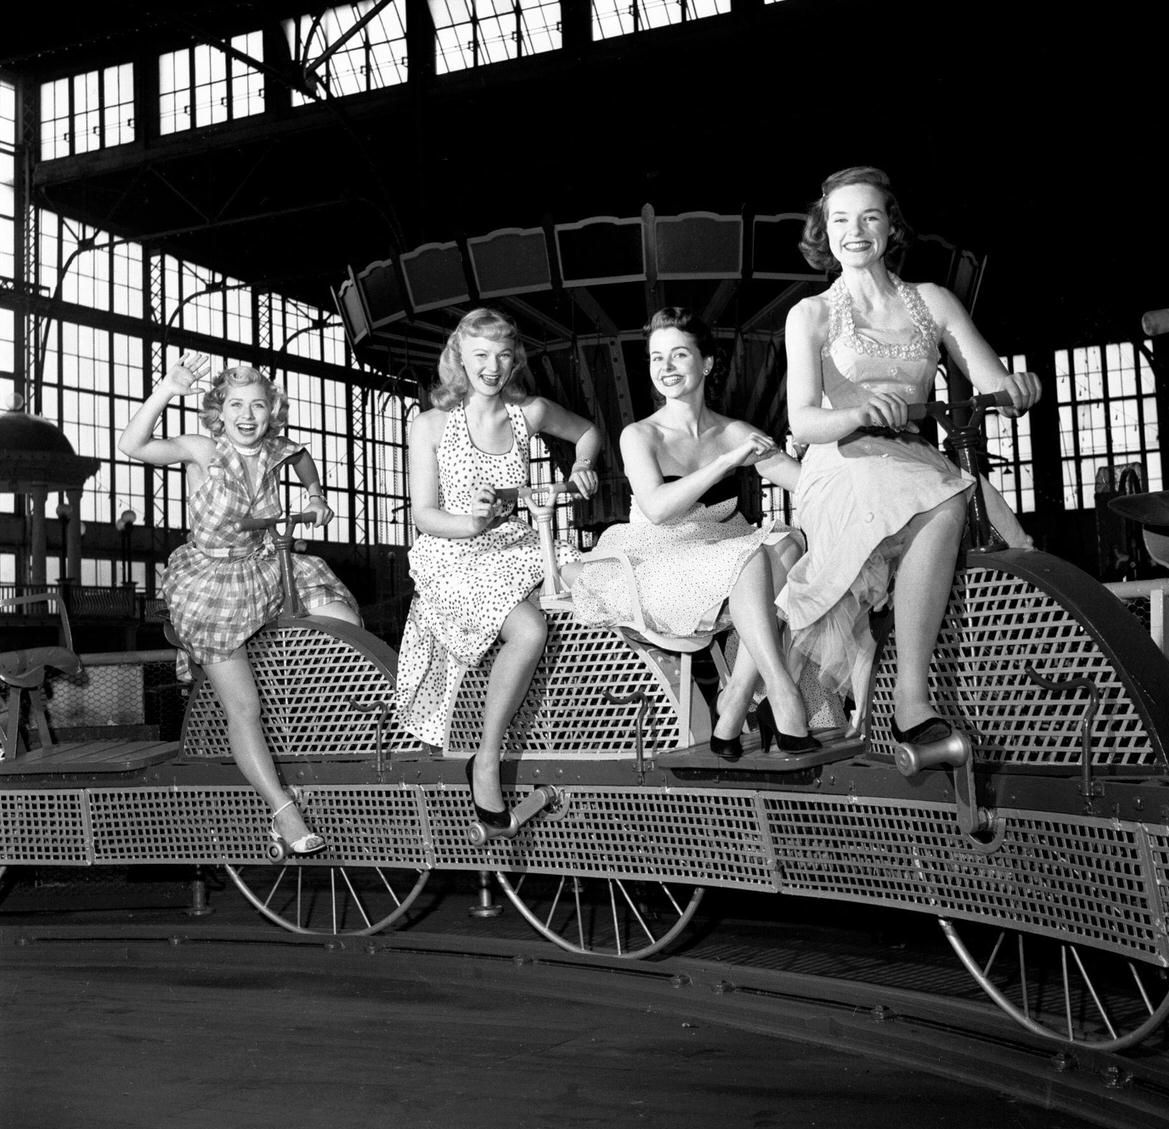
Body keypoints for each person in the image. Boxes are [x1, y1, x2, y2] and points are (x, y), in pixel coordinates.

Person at [779, 166, 1041, 745]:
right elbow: (802, 420)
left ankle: (1008, 695)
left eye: (870, 216)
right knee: (947, 504)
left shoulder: (932, 302)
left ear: (889, 226)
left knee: (1008, 535)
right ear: (824, 229)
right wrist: (859, 412)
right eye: (840, 219)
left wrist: (1018, 389)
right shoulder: (812, 314)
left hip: (917, 461)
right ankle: (911, 702)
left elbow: (990, 379)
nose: (856, 230)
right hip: (844, 464)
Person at [119, 353, 361, 854]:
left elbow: (300, 457)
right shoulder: (202, 450)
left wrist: (316, 495)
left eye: (257, 405)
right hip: (212, 584)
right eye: (235, 405)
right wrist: (166, 389)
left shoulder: (276, 448)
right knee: (244, 707)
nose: (247, 415)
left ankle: (333, 730)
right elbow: (132, 445)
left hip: (266, 563)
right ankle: (282, 809)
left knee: (343, 624)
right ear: (219, 412)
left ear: (272, 411)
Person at [569, 307, 834, 760]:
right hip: (658, 555)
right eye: (656, 358)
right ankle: (782, 696)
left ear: (706, 363)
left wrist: (818, 449)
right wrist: (726, 463)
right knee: (752, 555)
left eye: (678, 355)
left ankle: (733, 703)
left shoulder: (734, 431)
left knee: (789, 545)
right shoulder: (641, 435)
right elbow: (656, 509)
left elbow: (808, 484)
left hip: (725, 547)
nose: (665, 368)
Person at [394, 306, 602, 828]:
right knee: (529, 630)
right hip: (457, 553)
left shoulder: (526, 413)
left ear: (515, 358)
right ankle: (485, 759)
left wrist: (581, 468)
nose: (492, 366)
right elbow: (423, 514)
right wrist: (473, 522)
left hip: (520, 544)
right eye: (481, 354)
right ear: (459, 357)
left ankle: (582, 721)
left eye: (503, 355)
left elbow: (587, 433)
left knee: (600, 586)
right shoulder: (431, 424)